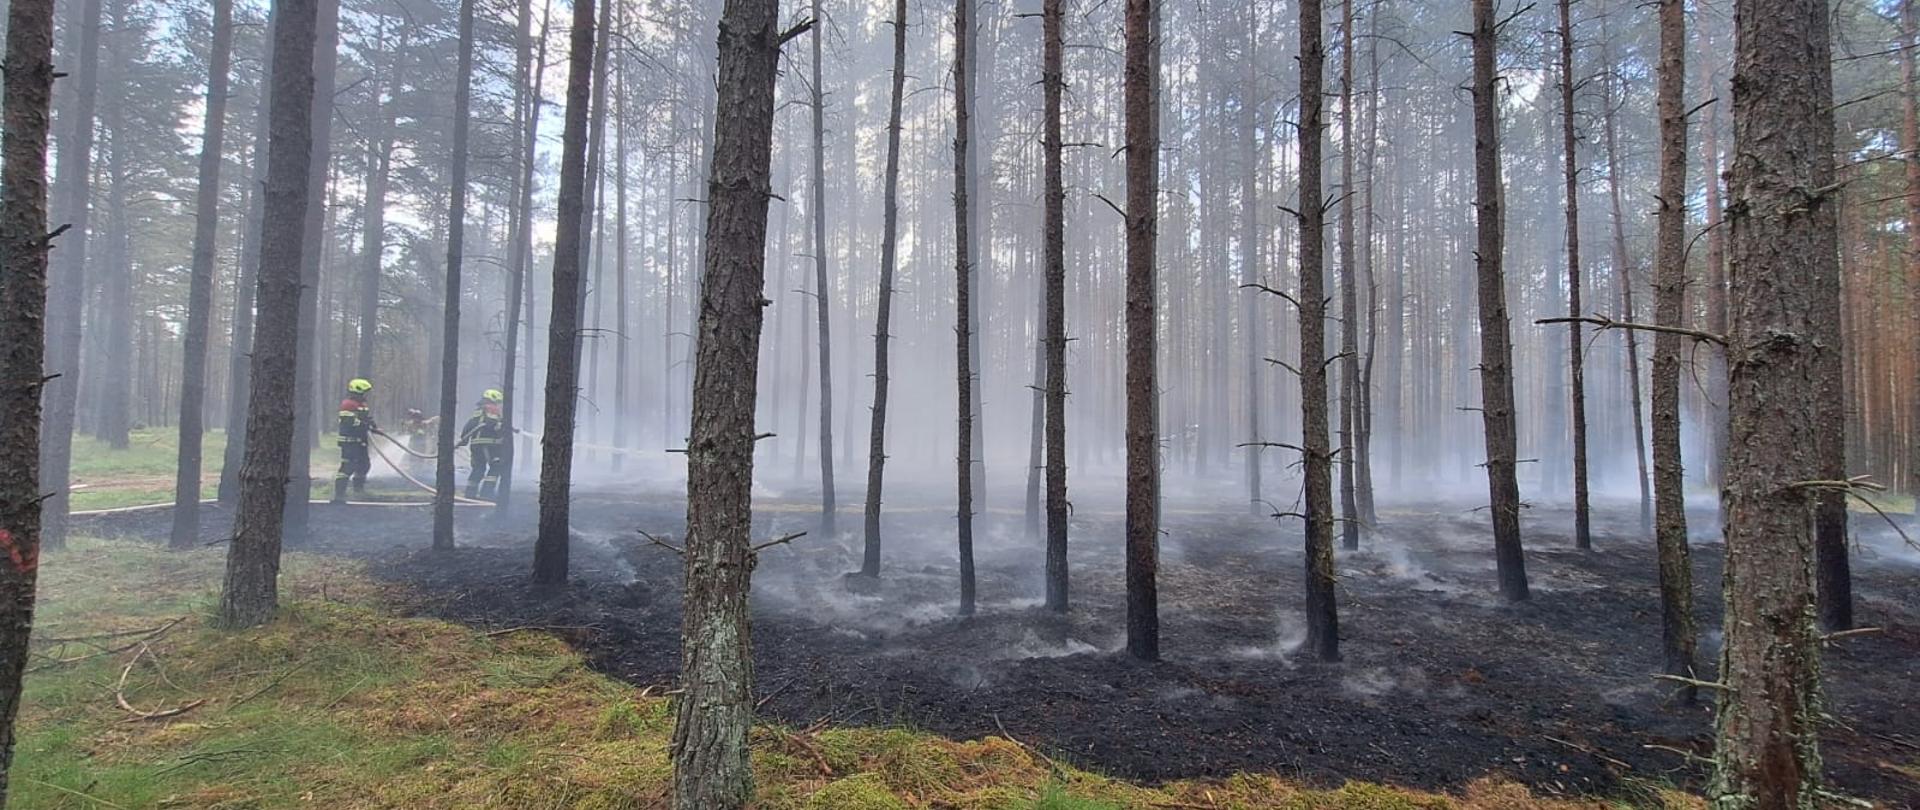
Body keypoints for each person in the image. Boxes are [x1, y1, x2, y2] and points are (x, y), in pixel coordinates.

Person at [332, 378, 385, 503]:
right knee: (348, 467)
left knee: (364, 465)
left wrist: (374, 427)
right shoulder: (348, 404)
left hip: (360, 440)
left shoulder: (362, 405)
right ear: (357, 391)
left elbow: (367, 418)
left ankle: (358, 491)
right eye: (364, 392)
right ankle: (339, 495)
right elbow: (349, 421)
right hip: (349, 441)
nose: (366, 395)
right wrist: (366, 426)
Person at [457, 389, 506, 500]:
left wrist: (464, 438)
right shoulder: (492, 410)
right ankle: (486, 493)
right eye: (497, 402)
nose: (497, 405)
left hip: (475, 445)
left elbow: (469, 425)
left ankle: (470, 493)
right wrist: (504, 429)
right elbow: (494, 426)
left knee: (478, 468)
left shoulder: (479, 412)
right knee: (495, 467)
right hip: (488, 445)